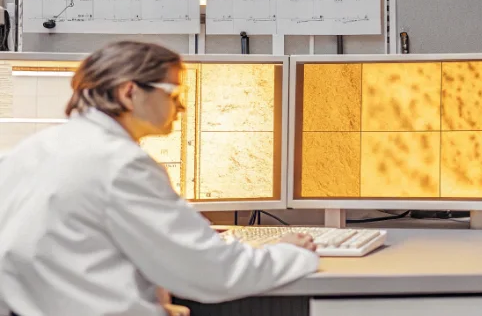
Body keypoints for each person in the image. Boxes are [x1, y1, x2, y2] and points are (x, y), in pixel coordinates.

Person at [0, 41, 319, 316]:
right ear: (129, 92)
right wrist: (290, 253)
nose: (180, 106)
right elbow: (212, 272)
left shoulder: (34, 149)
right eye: (174, 91)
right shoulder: (120, 164)